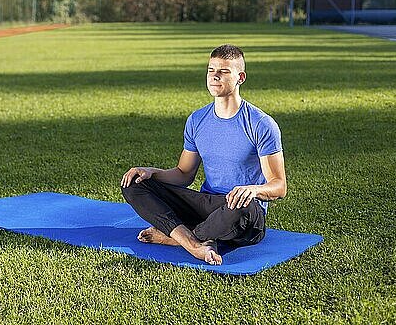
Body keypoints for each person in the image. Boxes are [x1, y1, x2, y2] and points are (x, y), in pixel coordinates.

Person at [120, 44, 287, 265]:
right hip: (206, 205)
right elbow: (183, 174)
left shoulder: (261, 124)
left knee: (241, 207)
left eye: (224, 71)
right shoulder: (197, 120)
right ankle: (193, 240)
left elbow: (279, 186)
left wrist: (253, 190)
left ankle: (176, 237)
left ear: (241, 78)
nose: (215, 76)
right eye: (211, 70)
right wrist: (151, 173)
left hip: (241, 211)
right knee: (133, 183)